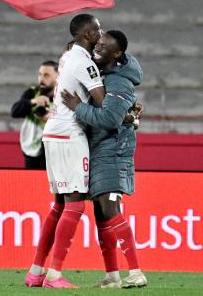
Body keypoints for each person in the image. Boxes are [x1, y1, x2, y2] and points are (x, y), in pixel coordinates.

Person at [61, 30, 147, 288]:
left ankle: (136, 272)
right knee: (101, 214)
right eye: (98, 44)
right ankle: (112, 276)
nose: (98, 48)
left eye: (105, 46)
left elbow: (110, 119)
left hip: (113, 150)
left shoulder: (120, 82)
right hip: (99, 149)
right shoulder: (102, 75)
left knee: (111, 209)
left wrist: (78, 107)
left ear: (117, 54)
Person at [29, 14, 105, 289]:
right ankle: (54, 275)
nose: (101, 33)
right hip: (71, 134)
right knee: (75, 204)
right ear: (87, 34)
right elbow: (103, 101)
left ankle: (36, 272)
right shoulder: (84, 62)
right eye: (98, 29)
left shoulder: (68, 54)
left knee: (59, 205)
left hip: (52, 132)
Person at [10, 60, 58, 169]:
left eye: (46, 75)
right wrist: (33, 101)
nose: (41, 79)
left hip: (55, 151)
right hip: (33, 152)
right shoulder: (32, 93)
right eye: (40, 74)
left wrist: (52, 119)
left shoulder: (63, 95)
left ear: (57, 76)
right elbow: (14, 111)